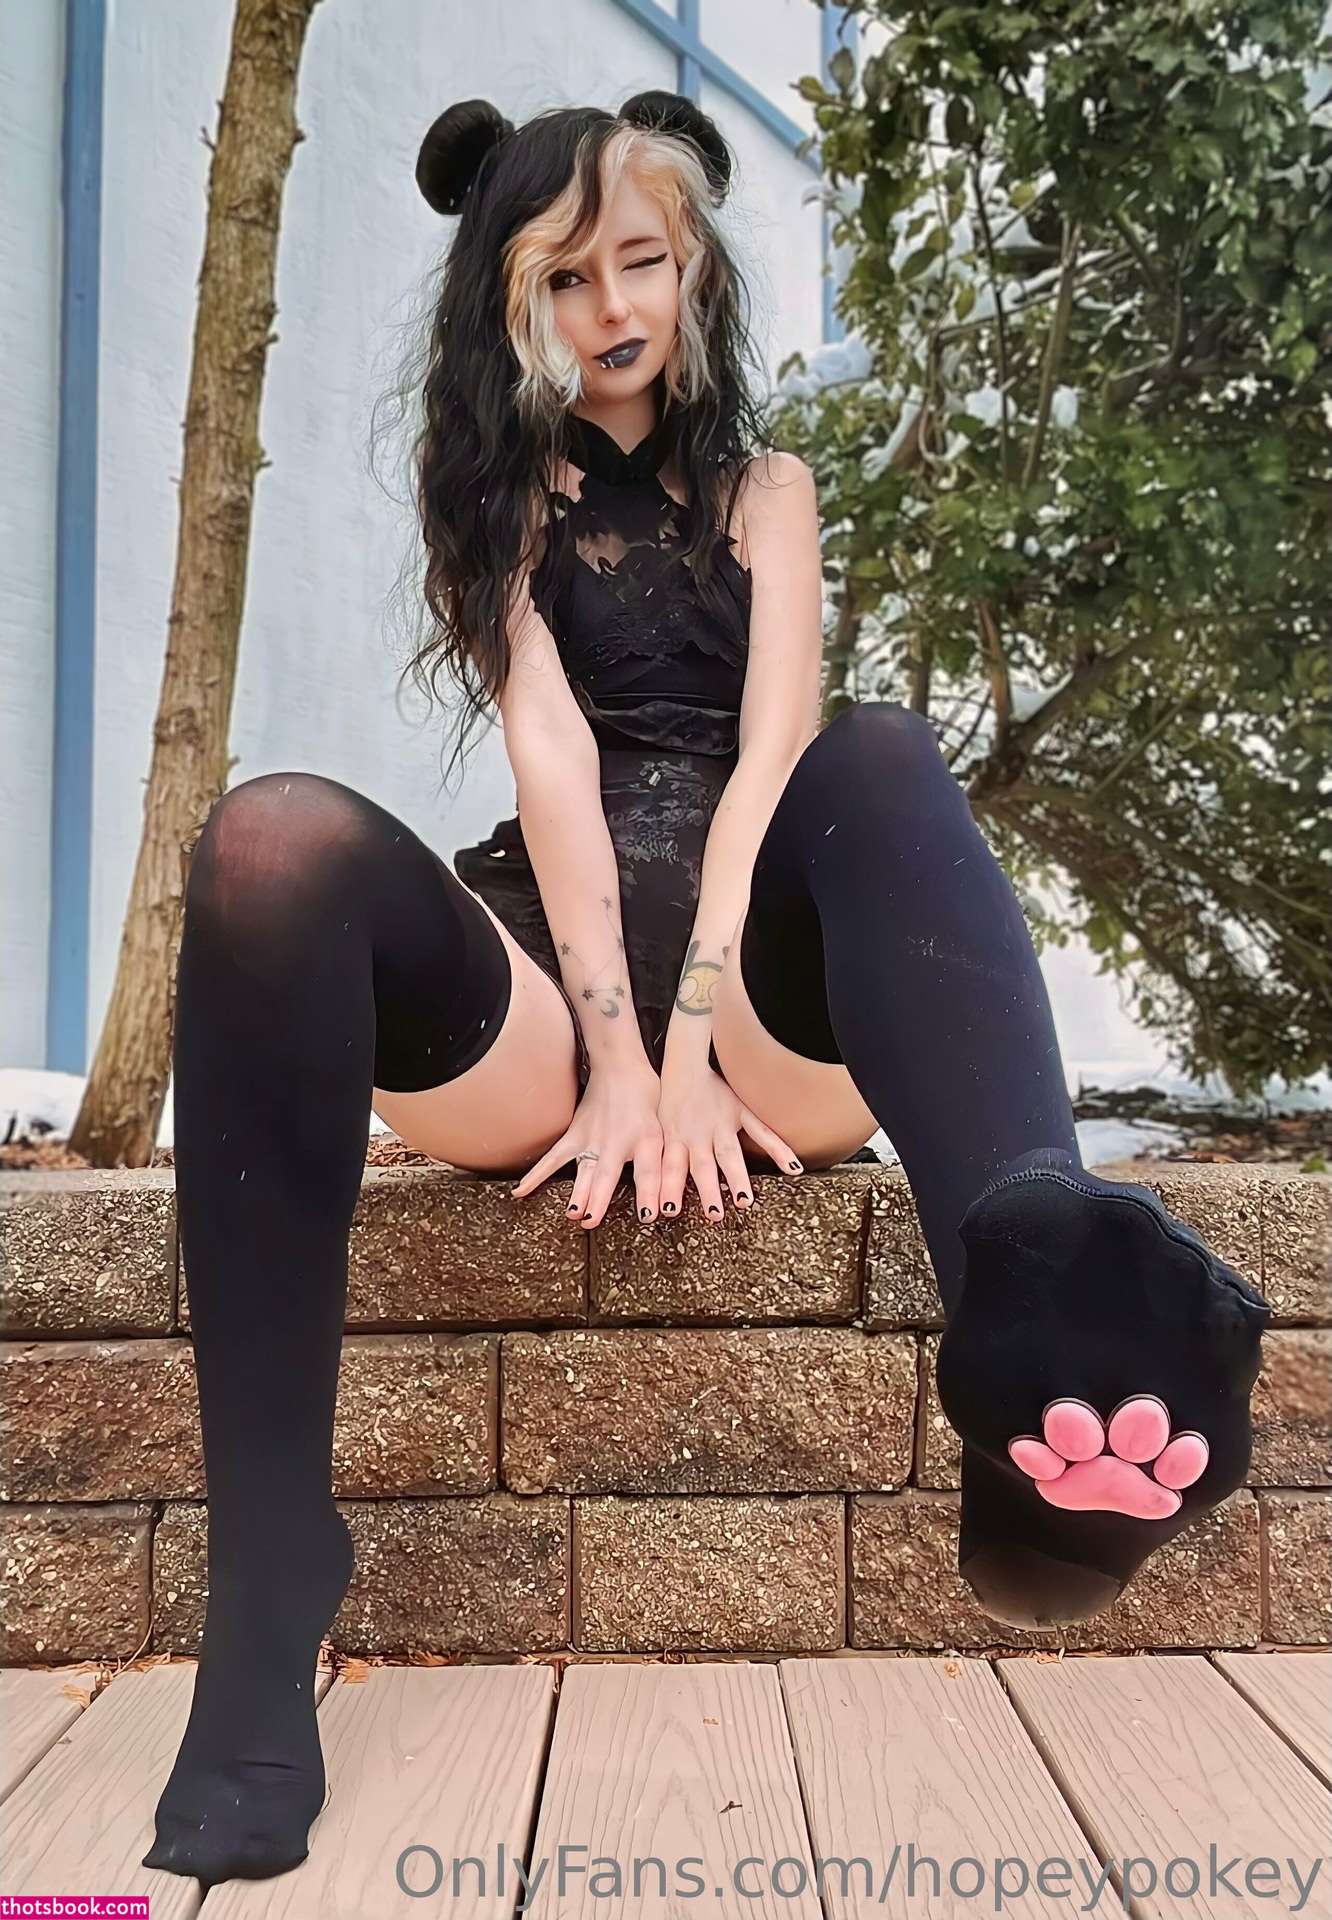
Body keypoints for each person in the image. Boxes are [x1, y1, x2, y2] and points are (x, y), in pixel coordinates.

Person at [142, 91, 1272, 1887]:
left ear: (695, 270)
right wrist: (611, 1056)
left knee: (880, 760)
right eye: (564, 275)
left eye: (643, 262)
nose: (613, 308)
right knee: (269, 844)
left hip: (759, 1013)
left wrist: (685, 1047)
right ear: (509, 297)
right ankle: (268, 1579)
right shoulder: (493, 502)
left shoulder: (770, 493)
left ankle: (1043, 1332)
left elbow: (767, 768)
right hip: (549, 997)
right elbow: (553, 773)